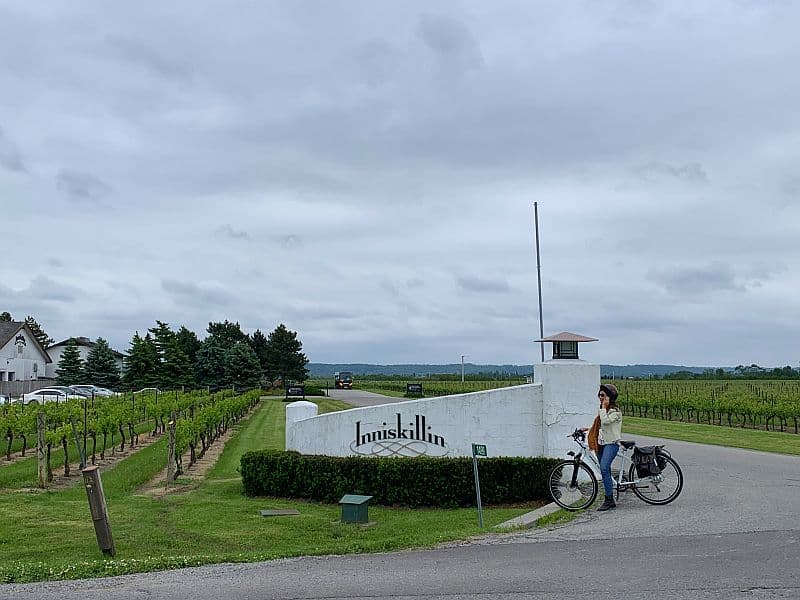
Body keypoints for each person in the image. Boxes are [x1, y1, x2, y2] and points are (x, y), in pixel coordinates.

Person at [587, 383, 622, 511]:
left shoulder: (615, 412)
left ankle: (609, 500)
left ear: (610, 397)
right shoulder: (604, 411)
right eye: (600, 395)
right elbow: (600, 426)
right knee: (603, 470)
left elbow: (606, 421)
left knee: (604, 468)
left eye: (603, 395)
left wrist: (603, 407)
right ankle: (609, 494)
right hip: (601, 443)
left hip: (611, 444)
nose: (600, 398)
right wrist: (589, 429)